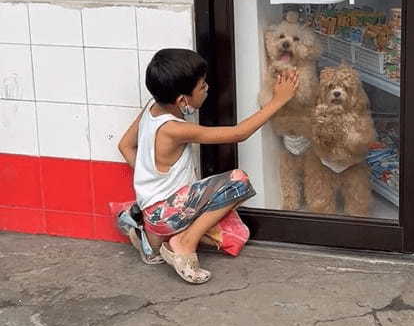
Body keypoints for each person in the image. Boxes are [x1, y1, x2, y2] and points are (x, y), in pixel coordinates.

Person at [118, 48, 298, 285]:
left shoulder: (151, 109)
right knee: (238, 182)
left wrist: (150, 180)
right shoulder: (174, 128)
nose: (208, 88)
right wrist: (278, 100)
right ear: (183, 100)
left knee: (227, 227)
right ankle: (183, 243)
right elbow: (239, 133)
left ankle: (151, 238)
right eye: (202, 87)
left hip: (152, 209)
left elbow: (125, 146)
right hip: (167, 213)